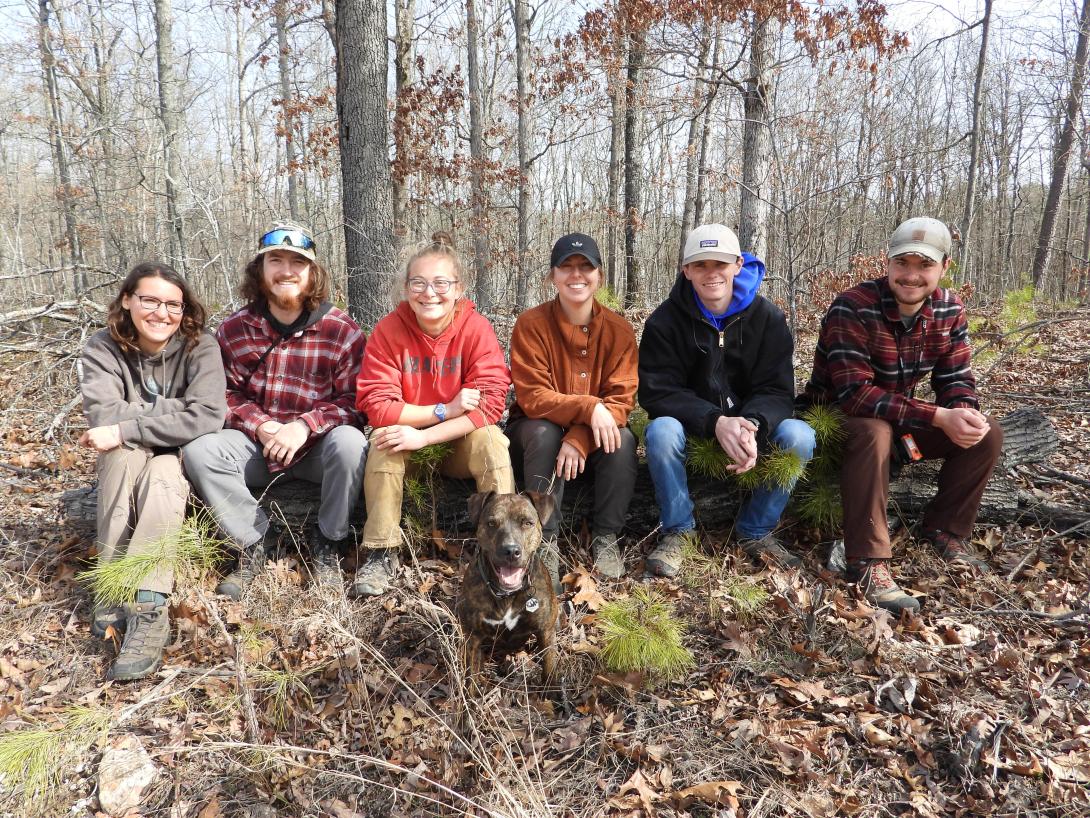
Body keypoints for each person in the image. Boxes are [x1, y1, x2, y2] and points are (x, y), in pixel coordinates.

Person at [800, 217, 1002, 614]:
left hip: (899, 421)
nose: (911, 275)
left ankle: (945, 531)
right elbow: (855, 395)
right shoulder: (853, 307)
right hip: (837, 420)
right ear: (887, 263)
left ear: (944, 267)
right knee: (875, 431)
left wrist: (962, 413)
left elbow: (957, 380)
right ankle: (868, 562)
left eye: (924, 265)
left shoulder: (949, 309)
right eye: (902, 263)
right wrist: (937, 417)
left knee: (988, 432)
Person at [183, 223, 367, 598]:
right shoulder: (234, 329)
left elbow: (355, 402)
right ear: (260, 269)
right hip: (256, 449)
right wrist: (262, 425)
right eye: (276, 261)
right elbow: (222, 394)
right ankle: (254, 542)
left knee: (351, 443)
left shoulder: (341, 330)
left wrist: (304, 426)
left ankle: (328, 541)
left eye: (297, 262)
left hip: (316, 451)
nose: (286, 271)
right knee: (200, 451)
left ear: (312, 272)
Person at [638, 223, 816, 577]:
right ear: (686, 270)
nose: (711, 273)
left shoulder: (768, 319)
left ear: (737, 264)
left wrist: (751, 423)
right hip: (695, 426)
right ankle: (679, 531)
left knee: (801, 437)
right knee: (661, 432)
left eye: (719, 263)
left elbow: (778, 391)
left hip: (752, 428)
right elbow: (657, 392)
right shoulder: (664, 322)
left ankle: (756, 530)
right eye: (700, 265)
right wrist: (715, 421)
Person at [80, 262, 226, 681]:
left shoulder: (201, 346)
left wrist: (127, 426)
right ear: (128, 300)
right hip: (127, 456)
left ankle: (148, 602)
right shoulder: (102, 347)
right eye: (150, 301)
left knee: (162, 471)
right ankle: (111, 584)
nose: (161, 313)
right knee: (121, 457)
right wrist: (175, 412)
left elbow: (209, 416)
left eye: (173, 305)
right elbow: (102, 413)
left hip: (181, 458)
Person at [354, 233, 514, 598]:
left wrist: (425, 434)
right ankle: (381, 552)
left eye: (441, 283)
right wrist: (443, 410)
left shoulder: (476, 329)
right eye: (419, 283)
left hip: (456, 445)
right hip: (408, 442)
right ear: (406, 288)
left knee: (491, 441)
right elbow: (377, 405)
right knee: (383, 442)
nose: (430, 293)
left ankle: (501, 552)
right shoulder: (389, 331)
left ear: (458, 287)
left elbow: (490, 403)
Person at [506, 233, 638, 585]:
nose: (576, 275)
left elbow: (622, 401)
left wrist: (580, 436)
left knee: (622, 439)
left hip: (590, 445)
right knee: (545, 431)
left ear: (599, 276)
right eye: (566, 267)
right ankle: (543, 539)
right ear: (553, 276)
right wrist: (590, 406)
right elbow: (533, 397)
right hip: (534, 436)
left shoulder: (620, 332)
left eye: (585, 267)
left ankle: (606, 535)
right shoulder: (531, 326)